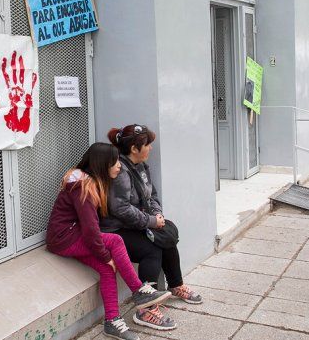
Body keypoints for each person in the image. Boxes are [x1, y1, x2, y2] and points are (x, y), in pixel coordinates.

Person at [46, 142, 175, 340]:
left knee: (107, 269)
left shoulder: (91, 181)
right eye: (114, 162)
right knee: (115, 241)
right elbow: (90, 232)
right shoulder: (83, 187)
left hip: (72, 235)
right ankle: (138, 290)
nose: (119, 166)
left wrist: (106, 260)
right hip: (65, 238)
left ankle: (112, 321)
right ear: (101, 164)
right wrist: (105, 256)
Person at [103, 124, 203, 310]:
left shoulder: (141, 167)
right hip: (118, 229)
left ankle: (176, 285)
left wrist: (157, 215)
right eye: (147, 145)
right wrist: (150, 221)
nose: (150, 148)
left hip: (138, 223)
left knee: (167, 237)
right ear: (134, 149)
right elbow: (121, 209)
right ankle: (147, 307)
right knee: (152, 249)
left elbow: (152, 196)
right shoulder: (121, 172)